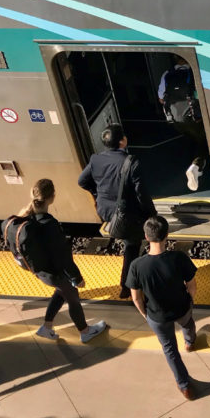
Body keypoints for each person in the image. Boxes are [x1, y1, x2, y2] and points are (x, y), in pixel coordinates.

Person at [16, 179, 108, 343]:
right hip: (54, 272)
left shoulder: (27, 218)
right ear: (52, 197)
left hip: (40, 270)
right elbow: (62, 256)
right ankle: (85, 331)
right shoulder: (49, 224)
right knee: (73, 298)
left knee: (61, 291)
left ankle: (47, 326)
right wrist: (76, 277)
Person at [77, 123, 156, 299]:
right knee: (132, 245)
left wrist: (98, 194)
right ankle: (127, 286)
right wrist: (151, 214)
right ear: (123, 141)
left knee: (131, 240)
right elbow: (141, 193)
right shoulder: (131, 161)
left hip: (106, 210)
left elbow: (82, 181)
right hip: (126, 212)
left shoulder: (95, 159)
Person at [126, 215, 199, 400]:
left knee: (170, 350)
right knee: (188, 324)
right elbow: (192, 284)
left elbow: (136, 297)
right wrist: (190, 301)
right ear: (167, 234)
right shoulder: (178, 258)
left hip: (157, 316)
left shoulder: (137, 265)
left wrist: (145, 314)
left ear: (146, 236)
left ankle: (184, 386)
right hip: (181, 307)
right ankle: (190, 343)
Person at [157, 62, 208, 191]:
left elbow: (161, 99)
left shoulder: (166, 74)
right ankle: (196, 166)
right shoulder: (193, 72)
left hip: (175, 120)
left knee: (191, 137)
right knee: (204, 141)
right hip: (193, 118)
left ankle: (191, 162)